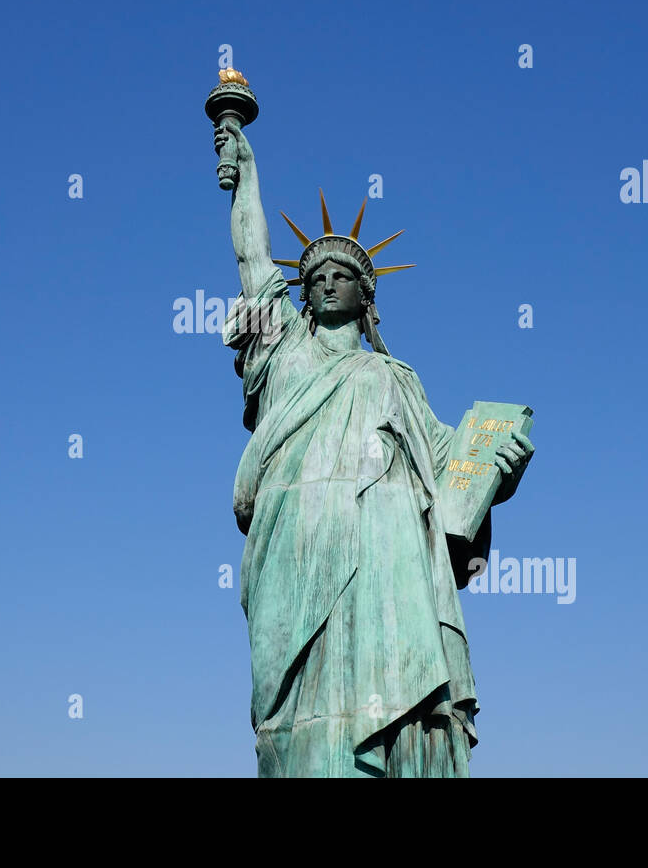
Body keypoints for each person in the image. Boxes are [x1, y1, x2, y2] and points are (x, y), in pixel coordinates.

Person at [216, 119, 533, 777]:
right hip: (293, 540)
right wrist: (244, 172)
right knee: (293, 724)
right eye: (316, 277)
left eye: (342, 275)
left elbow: (456, 472)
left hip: (384, 549)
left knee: (387, 701)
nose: (327, 282)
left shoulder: (396, 378)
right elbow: (253, 263)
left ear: (367, 296)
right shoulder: (287, 354)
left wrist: (502, 467)